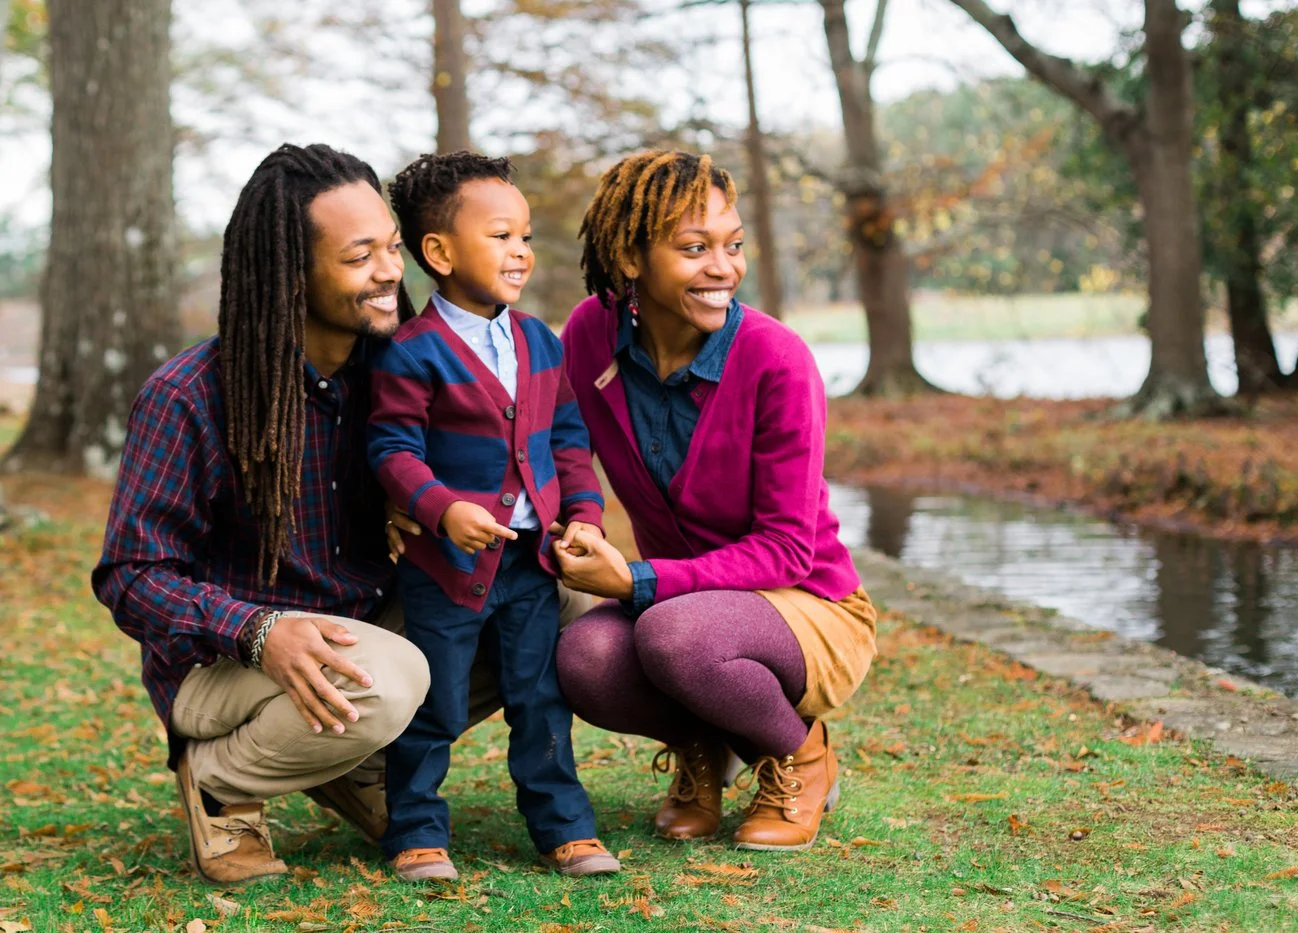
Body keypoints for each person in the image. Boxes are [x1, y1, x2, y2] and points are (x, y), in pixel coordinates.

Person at [92, 143, 589, 886]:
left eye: (392, 247)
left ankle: (350, 757)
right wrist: (257, 630)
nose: (392, 271)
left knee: (562, 599)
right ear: (292, 273)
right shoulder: (190, 395)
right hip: (228, 662)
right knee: (387, 680)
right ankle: (224, 779)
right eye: (362, 257)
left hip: (360, 622)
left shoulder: (391, 372)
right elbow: (130, 576)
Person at [551, 150, 879, 852]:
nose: (723, 268)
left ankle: (802, 755)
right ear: (631, 256)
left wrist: (638, 579)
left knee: (674, 634)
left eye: (732, 246)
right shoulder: (589, 333)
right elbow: (562, 439)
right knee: (583, 656)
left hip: (807, 605)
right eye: (694, 249)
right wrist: (579, 519)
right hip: (682, 606)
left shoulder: (775, 359)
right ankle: (702, 744)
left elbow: (788, 548)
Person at [371, 151, 618, 880]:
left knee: (542, 698)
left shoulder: (540, 342)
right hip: (443, 570)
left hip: (532, 565)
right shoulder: (411, 353)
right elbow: (391, 447)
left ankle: (564, 825)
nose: (520, 251)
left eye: (526, 236)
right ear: (440, 253)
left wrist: (586, 515)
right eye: (501, 236)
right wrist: (442, 509)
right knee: (435, 702)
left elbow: (568, 440)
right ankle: (415, 828)